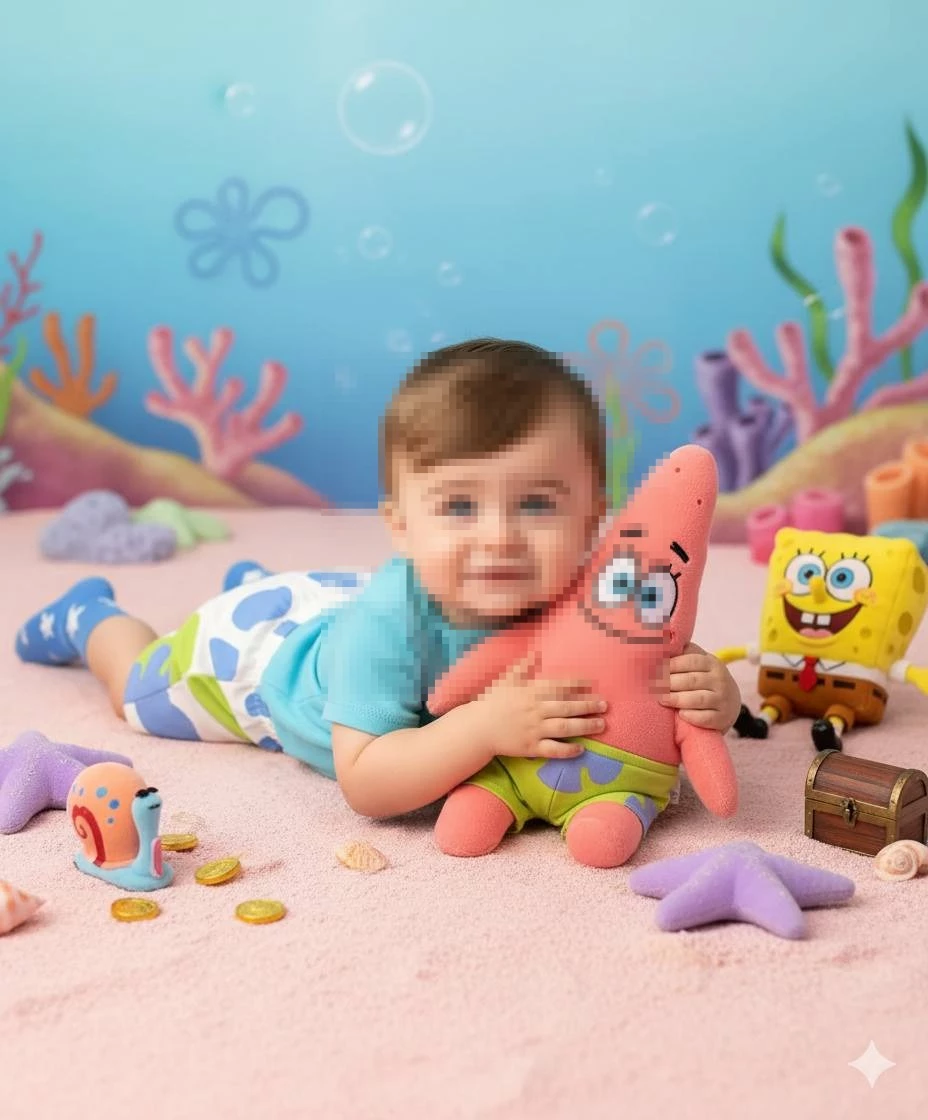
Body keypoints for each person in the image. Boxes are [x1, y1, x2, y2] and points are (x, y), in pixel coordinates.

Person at [14, 339, 741, 841]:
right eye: (459, 507)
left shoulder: (586, 585)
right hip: (248, 663)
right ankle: (93, 617)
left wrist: (715, 691)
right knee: (137, 689)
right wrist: (487, 728)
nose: (498, 538)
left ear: (593, 520)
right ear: (399, 525)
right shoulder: (384, 627)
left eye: (537, 505)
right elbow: (367, 783)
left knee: (329, 609)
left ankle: (265, 587)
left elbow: (641, 653)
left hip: (329, 603)